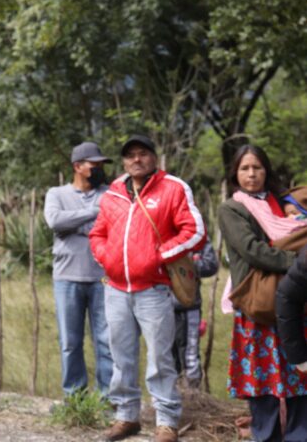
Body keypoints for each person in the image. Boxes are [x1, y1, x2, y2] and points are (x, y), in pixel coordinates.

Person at [89, 135, 205, 442]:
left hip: (153, 289)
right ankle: (126, 416)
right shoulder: (113, 193)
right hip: (114, 288)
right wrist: (106, 256)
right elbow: (97, 233)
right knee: (120, 356)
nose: (136, 159)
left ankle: (166, 421)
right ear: (124, 161)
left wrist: (159, 257)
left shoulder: (173, 188)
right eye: (130, 155)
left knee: (160, 358)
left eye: (143, 154)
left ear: (154, 157)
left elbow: (195, 231)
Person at [218, 144, 306, 442]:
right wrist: (298, 261)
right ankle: (266, 435)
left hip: (293, 300)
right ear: (235, 174)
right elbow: (253, 251)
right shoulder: (232, 208)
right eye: (245, 168)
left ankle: (298, 435)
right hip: (257, 300)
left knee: (299, 370)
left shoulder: (281, 203)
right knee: (261, 376)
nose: (252, 174)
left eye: (257, 167)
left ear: (266, 171)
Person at [43, 141, 114, 400]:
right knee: (70, 343)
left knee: (106, 343)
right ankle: (75, 398)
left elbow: (111, 226)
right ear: (78, 167)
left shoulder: (110, 194)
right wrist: (93, 213)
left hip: (102, 278)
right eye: (94, 165)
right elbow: (54, 221)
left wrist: (73, 223)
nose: (99, 169)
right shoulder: (56, 194)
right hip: (66, 278)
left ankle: (107, 399)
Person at [170, 242, 218, 389]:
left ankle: (192, 396)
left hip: (190, 306)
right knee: (165, 356)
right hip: (162, 306)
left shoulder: (197, 235)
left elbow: (211, 265)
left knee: (190, 355)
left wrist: (186, 265)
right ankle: (169, 396)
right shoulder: (160, 231)